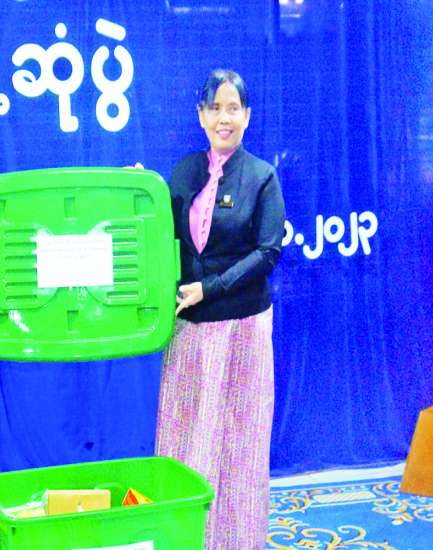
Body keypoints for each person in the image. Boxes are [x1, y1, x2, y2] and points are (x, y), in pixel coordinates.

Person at [155, 69, 285, 549]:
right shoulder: (184, 171)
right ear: (200, 115)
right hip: (189, 330)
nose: (223, 118)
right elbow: (158, 232)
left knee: (238, 445)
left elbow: (268, 252)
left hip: (242, 331)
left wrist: (209, 289)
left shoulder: (262, 177)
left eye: (233, 108)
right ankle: (186, 539)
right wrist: (137, 191)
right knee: (186, 441)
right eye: (214, 108)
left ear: (247, 116)